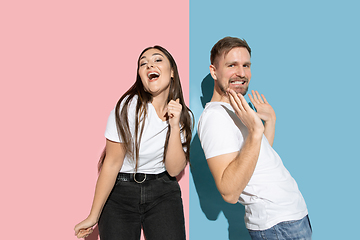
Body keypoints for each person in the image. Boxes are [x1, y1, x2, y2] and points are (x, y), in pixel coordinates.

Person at [197, 36, 312, 239]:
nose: (241, 73)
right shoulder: (214, 117)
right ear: (214, 71)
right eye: (231, 65)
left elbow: (256, 162)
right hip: (276, 226)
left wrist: (270, 122)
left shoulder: (237, 110)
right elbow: (229, 192)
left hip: (291, 218)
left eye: (246, 65)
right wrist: (256, 131)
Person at [74, 45, 193, 240]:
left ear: (172, 71)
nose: (149, 65)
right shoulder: (127, 108)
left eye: (157, 60)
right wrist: (93, 216)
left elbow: (174, 170)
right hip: (121, 192)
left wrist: (173, 125)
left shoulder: (183, 116)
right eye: (143, 63)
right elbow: (111, 163)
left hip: (163, 191)